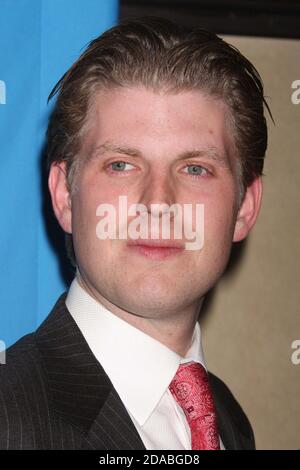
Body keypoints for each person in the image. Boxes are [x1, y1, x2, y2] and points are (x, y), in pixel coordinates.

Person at [0, 16, 270, 450]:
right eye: (121, 165)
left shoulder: (229, 421)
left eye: (195, 168)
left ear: (244, 207)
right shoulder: (8, 418)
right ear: (65, 197)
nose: (157, 202)